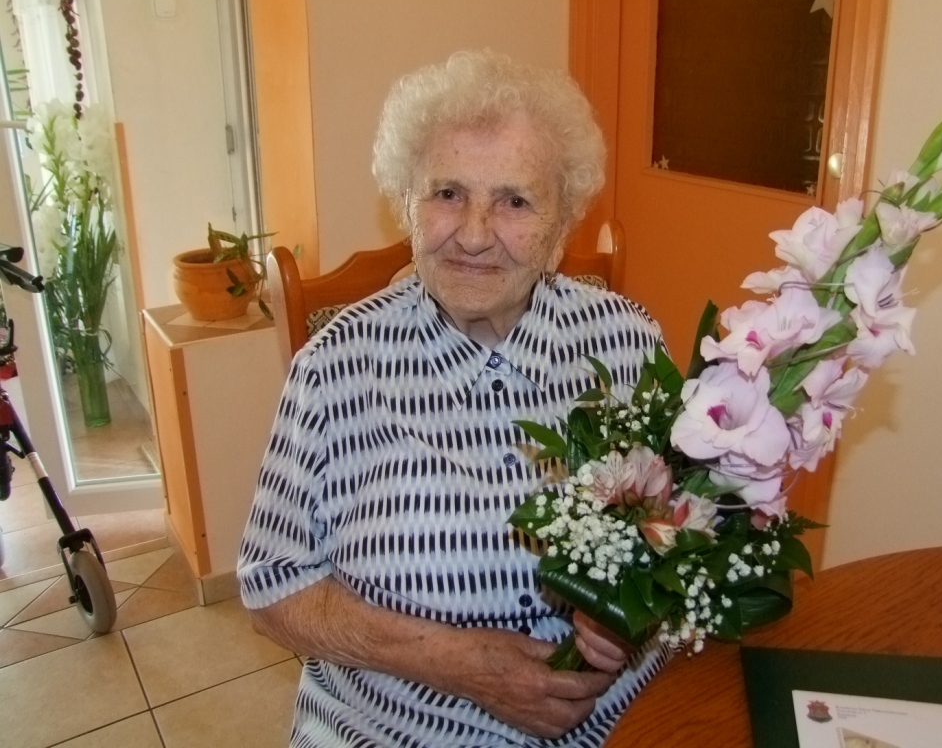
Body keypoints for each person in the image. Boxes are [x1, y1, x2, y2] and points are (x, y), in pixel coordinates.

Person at [238, 50, 668, 747]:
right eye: (446, 193)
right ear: (406, 203)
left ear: (562, 227)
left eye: (515, 201)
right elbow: (273, 585)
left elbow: (684, 532)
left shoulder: (629, 345)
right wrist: (458, 663)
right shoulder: (335, 368)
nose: (472, 234)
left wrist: (633, 611)